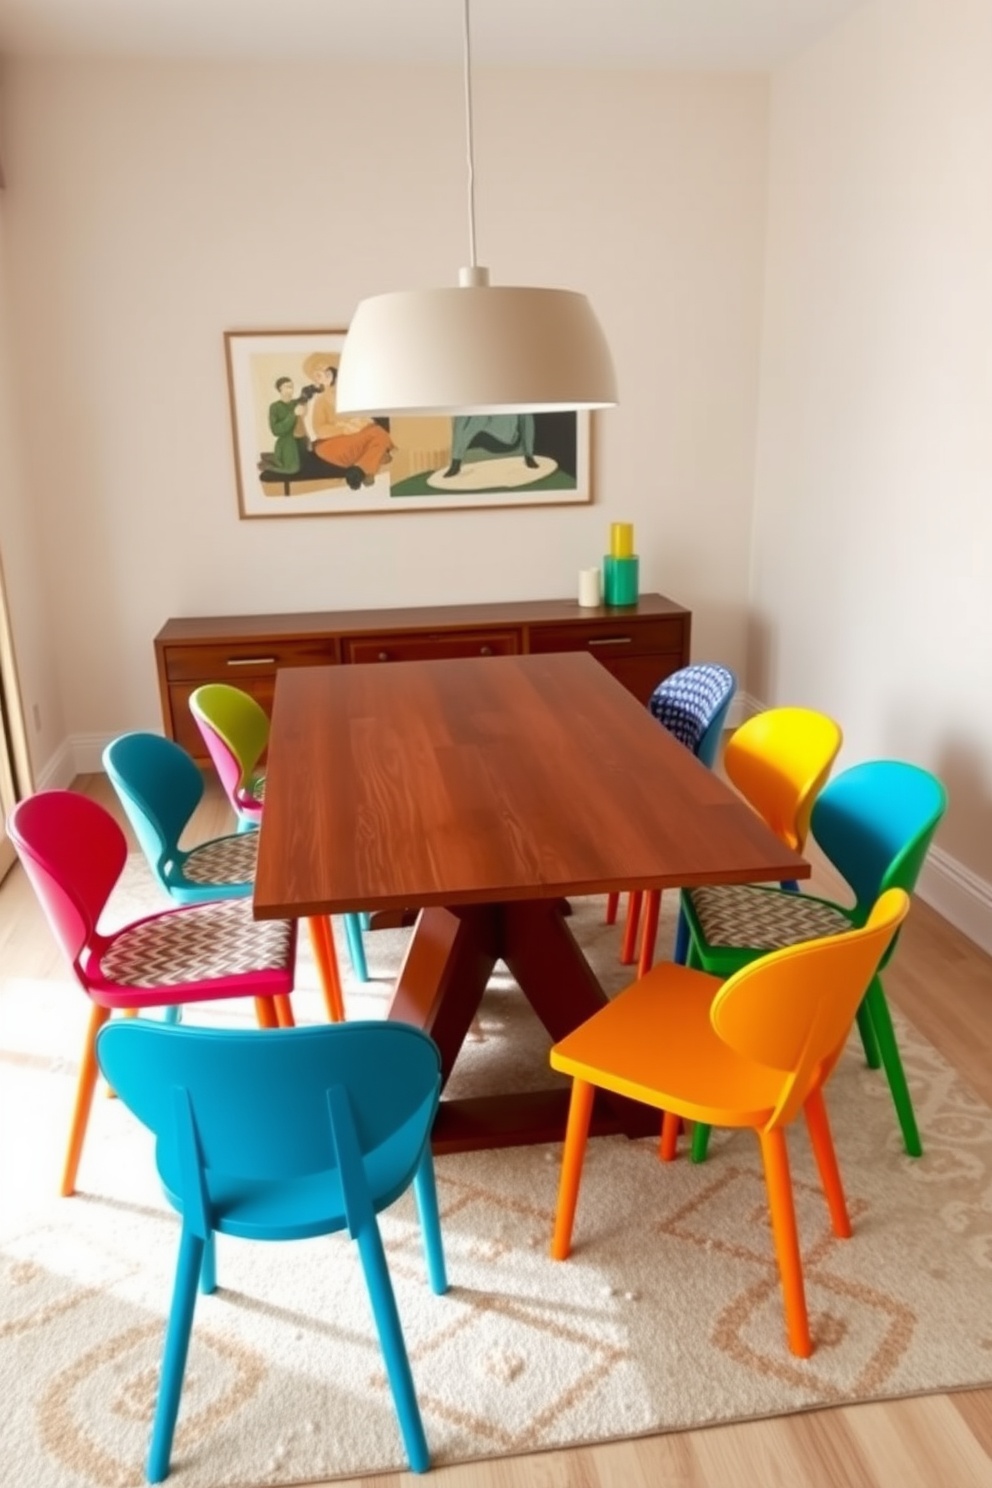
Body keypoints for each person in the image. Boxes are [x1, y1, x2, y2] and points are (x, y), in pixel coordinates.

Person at [301, 353, 394, 490]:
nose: (323, 373)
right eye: (318, 373)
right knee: (380, 437)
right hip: (332, 444)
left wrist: (360, 422)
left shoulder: (349, 392)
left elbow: (363, 416)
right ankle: (370, 465)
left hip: (356, 437)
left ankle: (359, 470)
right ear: (316, 380)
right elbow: (319, 430)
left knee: (378, 432)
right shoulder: (320, 400)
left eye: (324, 368)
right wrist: (343, 428)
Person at [444, 414, 539, 478]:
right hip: (477, 438)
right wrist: (455, 460)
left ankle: (456, 462)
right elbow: (460, 423)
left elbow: (526, 420)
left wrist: (528, 454)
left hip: (506, 440)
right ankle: (456, 462)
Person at [263, 377, 310, 475]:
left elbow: (301, 423)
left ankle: (272, 458)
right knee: (293, 469)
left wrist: (307, 438)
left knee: (309, 466)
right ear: (280, 389)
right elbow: (275, 430)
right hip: (286, 443)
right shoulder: (275, 407)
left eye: (291, 387)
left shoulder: (296, 403)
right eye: (287, 387)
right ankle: (269, 466)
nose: (290, 389)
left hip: (301, 440)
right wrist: (293, 414)